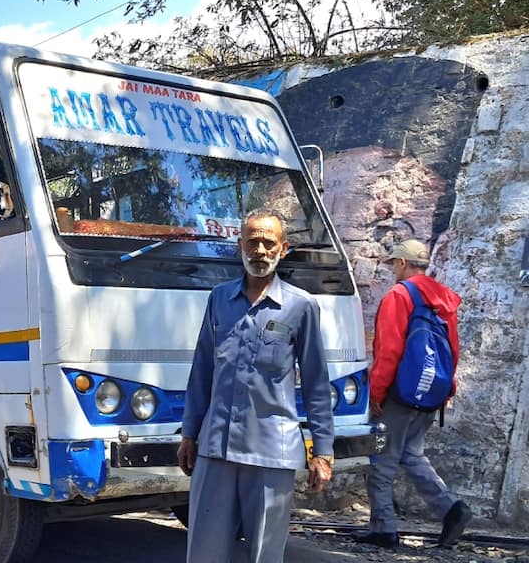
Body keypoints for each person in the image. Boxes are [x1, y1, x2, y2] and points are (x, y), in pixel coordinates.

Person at [177, 209, 334, 563]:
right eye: (253, 242)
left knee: (264, 553)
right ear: (240, 247)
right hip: (215, 449)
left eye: (268, 243)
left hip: (271, 453)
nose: (260, 250)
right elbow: (202, 369)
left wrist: (322, 452)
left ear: (283, 249)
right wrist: (189, 433)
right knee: (203, 551)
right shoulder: (219, 299)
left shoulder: (301, 307)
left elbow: (316, 382)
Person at [355, 239, 472, 549]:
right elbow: (453, 349)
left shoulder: (399, 295)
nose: (393, 269)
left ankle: (383, 529)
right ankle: (452, 508)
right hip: (431, 391)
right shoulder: (444, 299)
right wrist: (447, 389)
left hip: (399, 393)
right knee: (411, 454)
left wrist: (376, 393)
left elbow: (390, 350)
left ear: (403, 264)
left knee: (381, 459)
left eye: (394, 264)